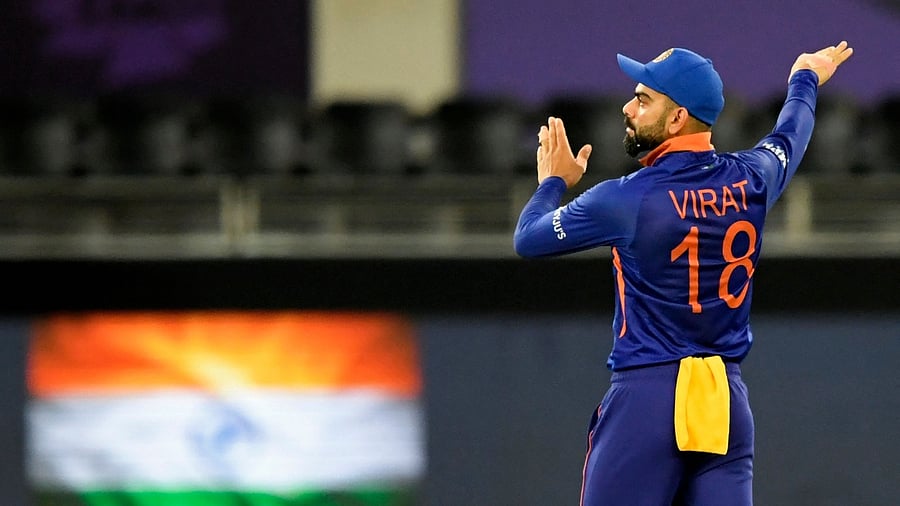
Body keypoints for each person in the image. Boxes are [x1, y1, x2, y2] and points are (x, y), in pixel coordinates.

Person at [513, 42, 853, 505]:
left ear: (677, 119)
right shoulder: (752, 178)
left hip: (648, 398)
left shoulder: (625, 199)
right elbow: (790, 134)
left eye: (643, 99)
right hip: (725, 402)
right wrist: (805, 78)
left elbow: (528, 238)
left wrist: (554, 181)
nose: (627, 108)